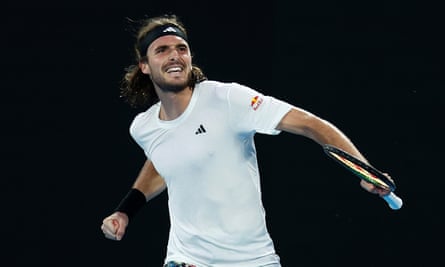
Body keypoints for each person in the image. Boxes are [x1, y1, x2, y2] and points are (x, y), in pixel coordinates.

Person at [100, 14, 390, 267]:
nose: (175, 55)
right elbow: (164, 160)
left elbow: (310, 124)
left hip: (253, 260)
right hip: (187, 259)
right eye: (162, 50)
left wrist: (363, 168)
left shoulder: (227, 99)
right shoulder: (144, 127)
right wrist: (126, 211)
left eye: (181, 48)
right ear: (145, 66)